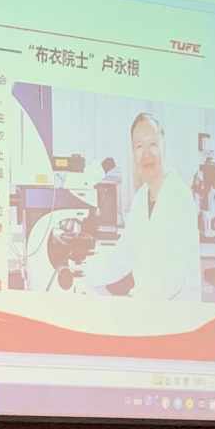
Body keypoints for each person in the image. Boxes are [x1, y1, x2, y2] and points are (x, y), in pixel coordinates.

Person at [86, 112, 200, 300]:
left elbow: (171, 280)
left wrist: (134, 301)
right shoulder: (140, 198)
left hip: (175, 310)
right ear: (133, 153)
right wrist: (87, 276)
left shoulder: (179, 198)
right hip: (147, 305)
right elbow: (123, 256)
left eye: (153, 144)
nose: (146, 153)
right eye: (139, 146)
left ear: (164, 147)